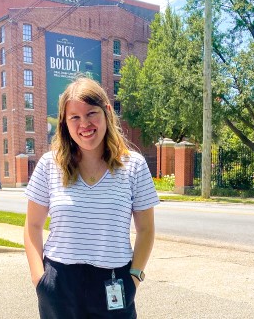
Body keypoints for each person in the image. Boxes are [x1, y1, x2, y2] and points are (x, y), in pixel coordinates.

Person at [24, 77, 159, 318]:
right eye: (74, 117)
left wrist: (135, 277)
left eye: (91, 113)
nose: (84, 124)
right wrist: (40, 279)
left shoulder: (134, 166)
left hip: (115, 281)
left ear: (107, 112)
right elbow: (32, 225)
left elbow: (146, 229)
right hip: (60, 284)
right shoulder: (49, 165)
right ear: (64, 122)